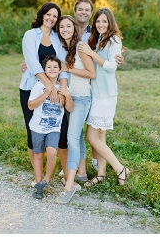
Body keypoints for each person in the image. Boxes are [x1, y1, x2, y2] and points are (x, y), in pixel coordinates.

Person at [20, 0, 124, 173]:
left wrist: (117, 57)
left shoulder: (94, 33)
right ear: (75, 12)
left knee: (88, 132)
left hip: (86, 89)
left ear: (90, 13)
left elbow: (99, 56)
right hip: (50, 88)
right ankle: (52, 171)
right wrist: (33, 67)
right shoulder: (52, 34)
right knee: (52, 131)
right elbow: (44, 60)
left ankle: (95, 166)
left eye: (87, 10)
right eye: (80, 9)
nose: (83, 12)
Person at [77, 7, 131, 187]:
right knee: (100, 136)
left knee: (91, 137)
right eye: (98, 21)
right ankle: (101, 174)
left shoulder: (114, 39)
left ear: (110, 23)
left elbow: (110, 67)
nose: (100, 24)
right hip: (97, 93)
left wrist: (91, 53)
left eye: (104, 21)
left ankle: (120, 168)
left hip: (106, 95)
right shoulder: (99, 39)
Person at [19, 2, 68, 188]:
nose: (51, 18)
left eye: (55, 16)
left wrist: (61, 89)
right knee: (33, 132)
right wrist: (51, 88)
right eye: (48, 14)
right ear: (42, 15)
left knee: (59, 130)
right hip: (31, 88)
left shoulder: (57, 38)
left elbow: (62, 66)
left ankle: (55, 172)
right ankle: (37, 177)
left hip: (55, 91)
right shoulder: (30, 35)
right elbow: (33, 65)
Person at [56, 15, 96, 203]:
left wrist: (68, 69)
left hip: (82, 99)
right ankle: (81, 173)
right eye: (61, 27)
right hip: (70, 98)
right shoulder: (64, 48)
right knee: (77, 137)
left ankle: (69, 185)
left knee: (72, 138)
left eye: (68, 26)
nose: (65, 29)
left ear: (74, 27)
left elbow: (91, 73)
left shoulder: (80, 46)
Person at [26, 55, 74, 199]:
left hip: (54, 128)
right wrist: (46, 93)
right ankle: (38, 182)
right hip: (37, 128)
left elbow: (70, 109)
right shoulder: (39, 86)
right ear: (44, 70)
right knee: (39, 154)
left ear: (60, 70)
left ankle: (45, 181)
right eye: (49, 67)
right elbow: (30, 105)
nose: (52, 69)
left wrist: (68, 96)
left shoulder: (62, 88)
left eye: (55, 67)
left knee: (52, 152)